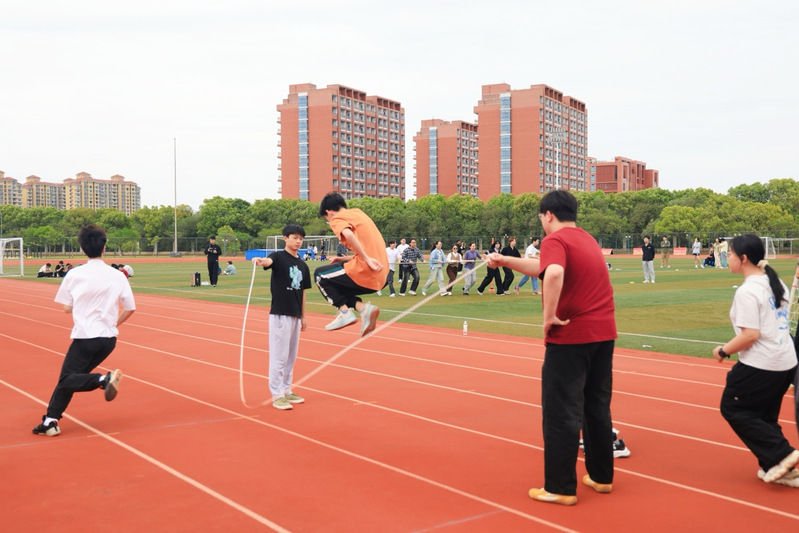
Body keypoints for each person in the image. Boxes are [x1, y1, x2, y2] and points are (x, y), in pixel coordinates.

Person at [486, 189, 617, 506]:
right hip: (603, 334)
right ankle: (601, 477)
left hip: (571, 337)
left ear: (548, 215)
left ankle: (559, 487)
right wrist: (505, 260)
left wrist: (549, 316)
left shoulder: (554, 240)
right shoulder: (585, 239)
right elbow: (545, 267)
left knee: (561, 411)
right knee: (596, 407)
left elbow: (554, 272)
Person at [32, 224, 136, 437]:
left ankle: (103, 380)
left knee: (66, 379)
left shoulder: (74, 274)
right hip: (108, 341)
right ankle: (50, 421)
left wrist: (78, 306)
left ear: (82, 248)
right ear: (104, 248)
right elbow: (130, 308)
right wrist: (113, 324)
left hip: (85, 338)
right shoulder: (118, 275)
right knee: (71, 378)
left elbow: (66, 308)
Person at [712, 234, 799, 487]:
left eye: (730, 254)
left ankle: (783, 454)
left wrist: (723, 351)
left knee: (734, 408)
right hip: (786, 361)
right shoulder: (775, 282)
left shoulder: (748, 291)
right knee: (763, 415)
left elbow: (750, 335)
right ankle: (780, 467)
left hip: (763, 363)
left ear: (743, 258)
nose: (727, 257)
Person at [253, 224, 312, 410]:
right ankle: (276, 393)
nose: (298, 241)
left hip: (295, 315)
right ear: (285, 238)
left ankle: (286, 389)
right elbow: (268, 262)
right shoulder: (278, 257)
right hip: (280, 314)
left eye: (300, 238)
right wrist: (260, 261)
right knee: (279, 356)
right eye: (294, 237)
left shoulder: (303, 265)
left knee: (291, 357)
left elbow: (303, 291)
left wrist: (303, 316)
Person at [314, 193, 387, 337]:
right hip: (382, 274)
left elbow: (348, 234)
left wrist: (366, 259)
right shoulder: (359, 214)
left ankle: (344, 313)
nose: (329, 222)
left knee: (320, 276)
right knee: (337, 287)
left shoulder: (336, 218)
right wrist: (345, 259)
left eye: (327, 219)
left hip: (367, 269)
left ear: (329, 212)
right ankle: (363, 309)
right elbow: (369, 246)